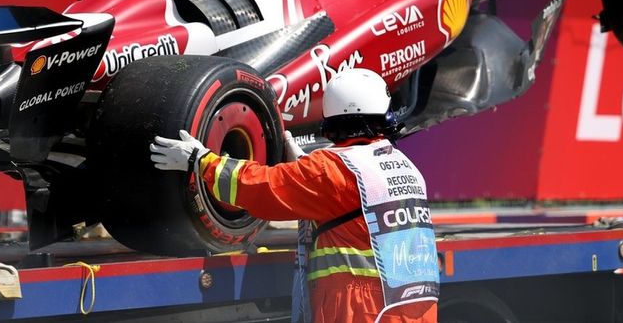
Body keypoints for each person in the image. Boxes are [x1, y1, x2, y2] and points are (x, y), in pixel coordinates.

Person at [149, 68, 439, 323]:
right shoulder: (403, 165)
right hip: (411, 303)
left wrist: (201, 161)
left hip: (361, 305)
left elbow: (263, 188)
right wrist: (304, 168)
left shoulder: (332, 170)